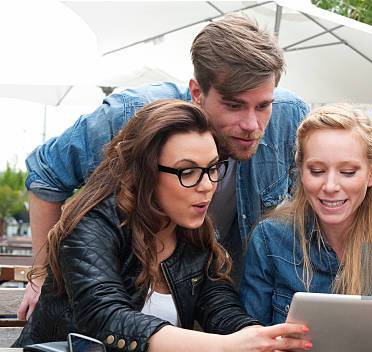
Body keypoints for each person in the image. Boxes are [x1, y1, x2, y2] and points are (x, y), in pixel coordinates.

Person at [18, 13, 309, 320]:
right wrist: (41, 276)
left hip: (224, 304)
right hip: (124, 301)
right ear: (197, 92)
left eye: (263, 105)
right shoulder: (129, 115)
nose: (251, 124)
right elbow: (46, 175)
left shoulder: (291, 117)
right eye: (234, 105)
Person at [14, 100, 311, 352]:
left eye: (212, 168)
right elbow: (106, 319)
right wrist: (226, 350)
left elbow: (220, 306)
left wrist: (257, 338)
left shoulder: (194, 231)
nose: (207, 185)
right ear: (145, 172)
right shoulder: (92, 223)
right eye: (188, 171)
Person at [240, 104, 372, 325]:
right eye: (317, 171)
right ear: (301, 172)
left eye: (347, 172)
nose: (330, 186)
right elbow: (250, 339)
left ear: (371, 175)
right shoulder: (268, 239)